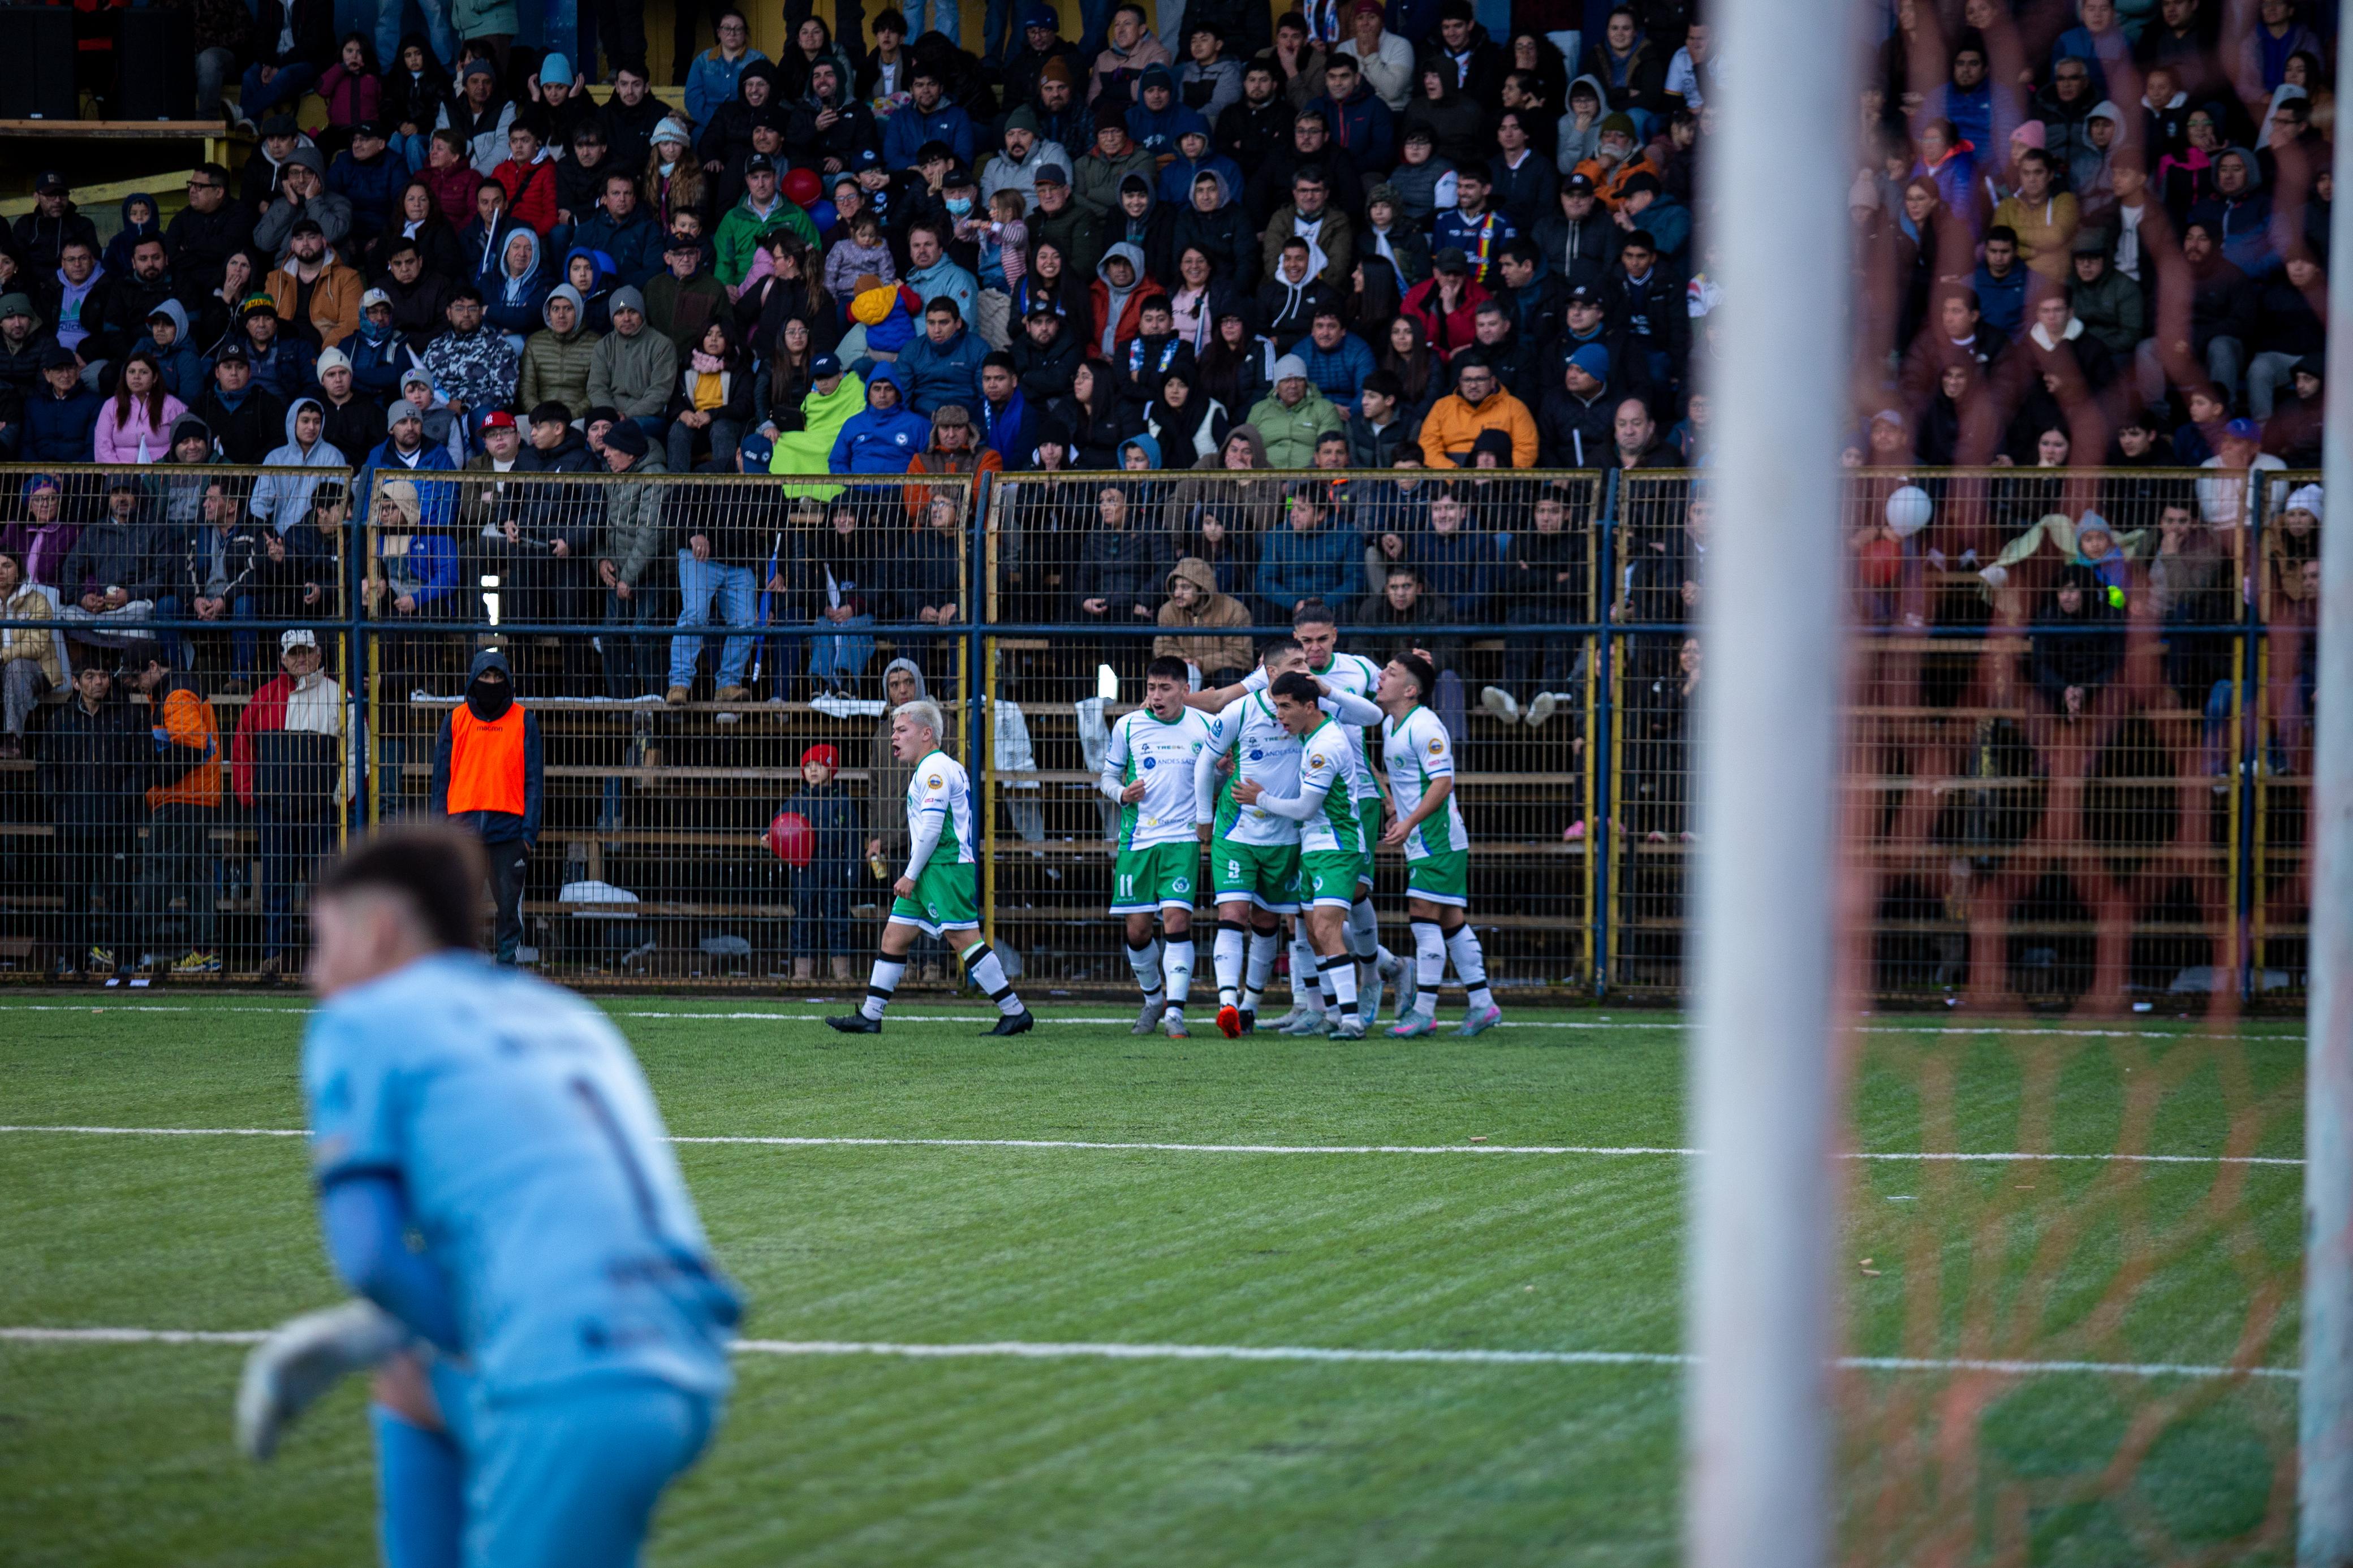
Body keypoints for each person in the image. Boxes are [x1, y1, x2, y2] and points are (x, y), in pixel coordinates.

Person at [234, 823, 738, 1562]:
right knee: (411, 1386)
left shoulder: (362, 1020)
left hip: (575, 1384)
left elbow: (370, 1256)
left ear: (377, 931)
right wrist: (394, 1338)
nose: (315, 972)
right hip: (689, 1350)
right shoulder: (559, 1009)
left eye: (322, 941)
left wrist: (404, 1323)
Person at [826, 699, 1033, 1035]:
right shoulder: (936, 767)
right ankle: (870, 1015)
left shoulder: (934, 770)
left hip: (944, 866)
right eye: (893, 730)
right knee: (894, 936)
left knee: (962, 937)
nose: (893, 737)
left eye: (901, 730)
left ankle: (1015, 1012)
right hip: (932, 867)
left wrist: (909, 874)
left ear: (926, 733)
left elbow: (933, 829)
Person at [1219, 668, 1372, 1037]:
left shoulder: (1325, 745)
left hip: (1336, 845)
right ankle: (1335, 1013)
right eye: (1275, 706)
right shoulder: (1313, 735)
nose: (1279, 715)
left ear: (1309, 705)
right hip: (1314, 845)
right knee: (1314, 931)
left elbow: (1306, 808)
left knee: (1324, 927)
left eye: (1286, 707)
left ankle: (1352, 1017)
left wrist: (1261, 799)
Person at [1376, 652, 1499, 1035]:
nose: (1382, 676)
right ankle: (1482, 1004)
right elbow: (1408, 781)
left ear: (1411, 691)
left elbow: (1442, 783)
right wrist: (1395, 806)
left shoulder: (1426, 725)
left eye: (1392, 673)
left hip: (1437, 838)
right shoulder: (1389, 724)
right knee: (1450, 921)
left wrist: (1410, 820)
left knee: (1422, 912)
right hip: (1423, 836)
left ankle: (1424, 1010)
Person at [1096, 656, 1221, 1036]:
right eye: (1151, 687)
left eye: (1165, 688)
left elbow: (1214, 780)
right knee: (1137, 931)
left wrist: (1222, 773)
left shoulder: (1205, 726)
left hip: (1182, 839)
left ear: (1185, 690)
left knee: (1177, 921)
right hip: (1138, 841)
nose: (1156, 695)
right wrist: (1122, 793)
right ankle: (1153, 999)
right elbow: (1106, 776)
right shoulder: (1129, 726)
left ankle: (1176, 1013)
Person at [232, 629, 346, 980]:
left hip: (321, 813)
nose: (301, 659)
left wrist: (339, 797)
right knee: (276, 890)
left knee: (323, 891)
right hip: (274, 812)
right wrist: (250, 796)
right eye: (294, 653)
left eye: (307, 652)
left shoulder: (340, 698)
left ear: (319, 653)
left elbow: (360, 753)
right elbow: (242, 751)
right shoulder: (262, 699)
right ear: (282, 657)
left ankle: (323, 962)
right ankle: (274, 959)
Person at [427, 649, 543, 963]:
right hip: (462, 833)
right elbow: (441, 782)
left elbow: (534, 782)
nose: (491, 681)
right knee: (461, 913)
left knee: (510, 914)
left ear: (507, 681)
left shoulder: (524, 721)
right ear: (473, 679)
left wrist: (528, 836)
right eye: (486, 675)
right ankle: (464, 974)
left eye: (497, 676)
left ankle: (507, 974)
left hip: (510, 834)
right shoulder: (455, 721)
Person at [124, 644, 223, 975]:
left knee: (158, 872)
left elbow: (192, 748)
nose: (135, 683)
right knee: (196, 876)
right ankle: (205, 951)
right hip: (195, 797)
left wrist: (153, 778)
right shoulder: (174, 690)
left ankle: (131, 949)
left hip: (182, 798)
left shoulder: (176, 693)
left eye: (137, 675)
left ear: (153, 666)